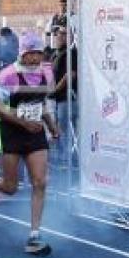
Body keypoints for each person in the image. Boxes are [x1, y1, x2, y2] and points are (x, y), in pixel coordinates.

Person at [0, 31, 59, 256]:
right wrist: (23, 123)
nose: (36, 58)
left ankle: (34, 235)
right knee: (11, 187)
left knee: (40, 182)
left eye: (39, 53)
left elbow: (41, 104)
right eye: (32, 53)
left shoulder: (46, 73)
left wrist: (51, 125)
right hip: (11, 132)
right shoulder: (7, 76)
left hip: (35, 133)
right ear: (23, 53)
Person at [50, 26, 77, 167]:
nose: (58, 36)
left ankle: (67, 160)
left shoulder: (72, 53)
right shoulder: (56, 54)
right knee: (59, 129)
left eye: (63, 34)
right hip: (57, 99)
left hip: (67, 99)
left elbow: (71, 75)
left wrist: (55, 90)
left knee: (65, 130)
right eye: (57, 34)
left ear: (70, 36)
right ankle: (63, 158)